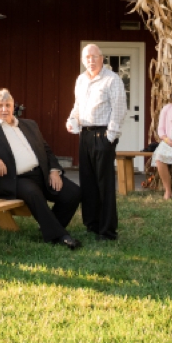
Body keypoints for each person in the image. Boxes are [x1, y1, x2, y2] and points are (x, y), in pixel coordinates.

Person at [0, 88, 82, 249]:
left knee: (73, 193)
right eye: (0, 105)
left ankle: (49, 225)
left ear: (13, 107)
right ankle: (60, 236)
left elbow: (46, 149)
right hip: (15, 179)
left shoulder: (29, 125)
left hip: (42, 174)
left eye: (8, 105)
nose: (4, 109)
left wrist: (54, 170)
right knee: (34, 194)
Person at [67, 43, 125, 241]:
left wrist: (110, 137)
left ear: (102, 58)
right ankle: (92, 224)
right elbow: (77, 106)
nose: (90, 60)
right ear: (83, 60)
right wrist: (72, 120)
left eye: (94, 56)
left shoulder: (112, 79)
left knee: (104, 184)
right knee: (88, 181)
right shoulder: (81, 80)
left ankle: (107, 230)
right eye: (87, 57)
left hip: (102, 136)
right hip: (85, 135)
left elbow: (119, 110)